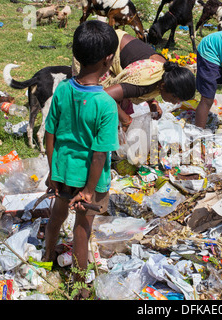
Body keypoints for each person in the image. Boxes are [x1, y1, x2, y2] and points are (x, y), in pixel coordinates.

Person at [44, 20, 119, 292]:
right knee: (82, 229)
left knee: (57, 216)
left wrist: (52, 171)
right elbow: (99, 156)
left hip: (63, 171)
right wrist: (88, 191)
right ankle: (77, 285)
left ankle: (47, 257)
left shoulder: (63, 88)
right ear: (108, 59)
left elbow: (49, 134)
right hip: (89, 180)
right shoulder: (106, 105)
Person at [72, 29, 196, 130]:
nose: (174, 103)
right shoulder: (143, 84)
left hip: (113, 40)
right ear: (163, 86)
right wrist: (125, 120)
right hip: (99, 48)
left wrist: (152, 102)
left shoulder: (167, 69)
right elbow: (102, 95)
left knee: (122, 101)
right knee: (96, 105)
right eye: (175, 99)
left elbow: (143, 82)